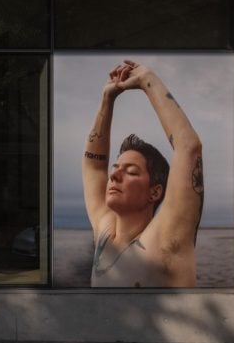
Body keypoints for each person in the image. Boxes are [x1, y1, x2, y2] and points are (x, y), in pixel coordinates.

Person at [82, 60, 203, 287]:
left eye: (131, 172)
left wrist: (147, 79)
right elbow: (94, 166)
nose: (114, 176)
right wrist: (107, 99)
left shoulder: (166, 238)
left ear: (155, 192)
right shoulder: (105, 231)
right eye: (115, 169)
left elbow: (189, 147)